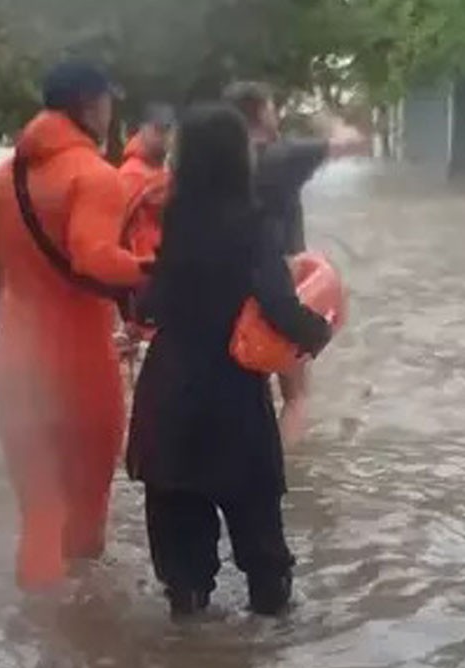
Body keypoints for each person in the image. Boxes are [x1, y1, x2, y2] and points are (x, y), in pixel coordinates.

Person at [126, 103, 332, 618]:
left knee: (183, 572)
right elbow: (279, 304)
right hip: (232, 396)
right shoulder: (253, 223)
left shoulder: (171, 221)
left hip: (169, 394)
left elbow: (148, 303)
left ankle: (187, 666)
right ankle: (264, 666)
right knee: (263, 552)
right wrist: (319, 330)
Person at [0, 61, 151, 592]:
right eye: (107, 101)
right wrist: (161, 269)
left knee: (40, 513)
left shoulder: (1, 178)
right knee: (86, 515)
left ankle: (37, 641)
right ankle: (85, 645)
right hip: (79, 367)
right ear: (90, 104)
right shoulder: (95, 176)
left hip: (13, 360)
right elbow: (94, 258)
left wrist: (22, 317)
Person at [221, 81, 366, 447]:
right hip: (280, 279)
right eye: (271, 106)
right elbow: (353, 142)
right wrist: (328, 116)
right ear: (260, 112)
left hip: (229, 281)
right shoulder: (282, 157)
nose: (277, 113)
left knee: (247, 387)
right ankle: (283, 478)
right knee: (296, 395)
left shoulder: (219, 162)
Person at [118, 104, 175, 259]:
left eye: (169, 129)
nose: (165, 135)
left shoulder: (167, 171)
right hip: (139, 268)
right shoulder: (130, 174)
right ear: (141, 130)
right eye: (158, 128)